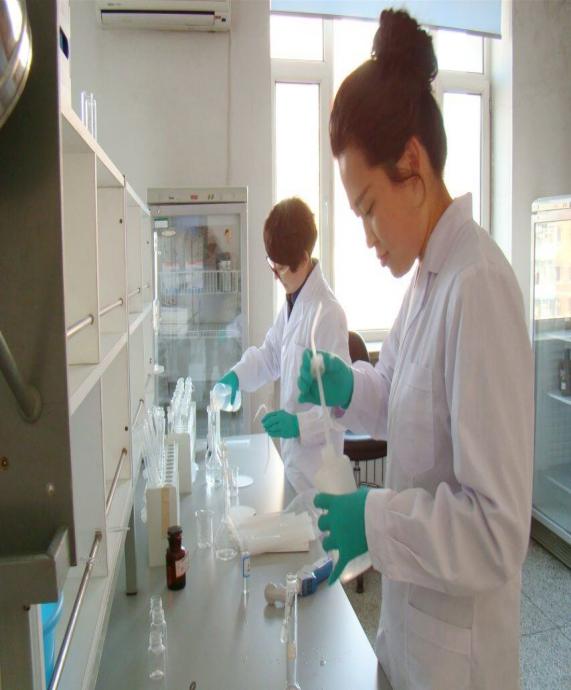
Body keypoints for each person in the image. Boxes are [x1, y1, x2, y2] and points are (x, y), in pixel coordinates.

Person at [297, 10, 533, 690]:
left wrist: (374, 520)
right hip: (408, 640)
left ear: (412, 163)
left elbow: (496, 531)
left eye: (368, 207)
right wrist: (350, 385)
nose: (368, 236)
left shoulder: (475, 286)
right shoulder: (428, 283)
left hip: (457, 663)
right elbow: (399, 394)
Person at [219, 197, 350, 493]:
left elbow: (339, 411)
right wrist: (236, 376)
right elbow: (270, 356)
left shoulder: (328, 314)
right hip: (293, 467)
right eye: (272, 267)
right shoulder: (293, 302)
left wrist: (298, 424)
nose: (277, 277)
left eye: (281, 269)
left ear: (303, 258)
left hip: (319, 474)